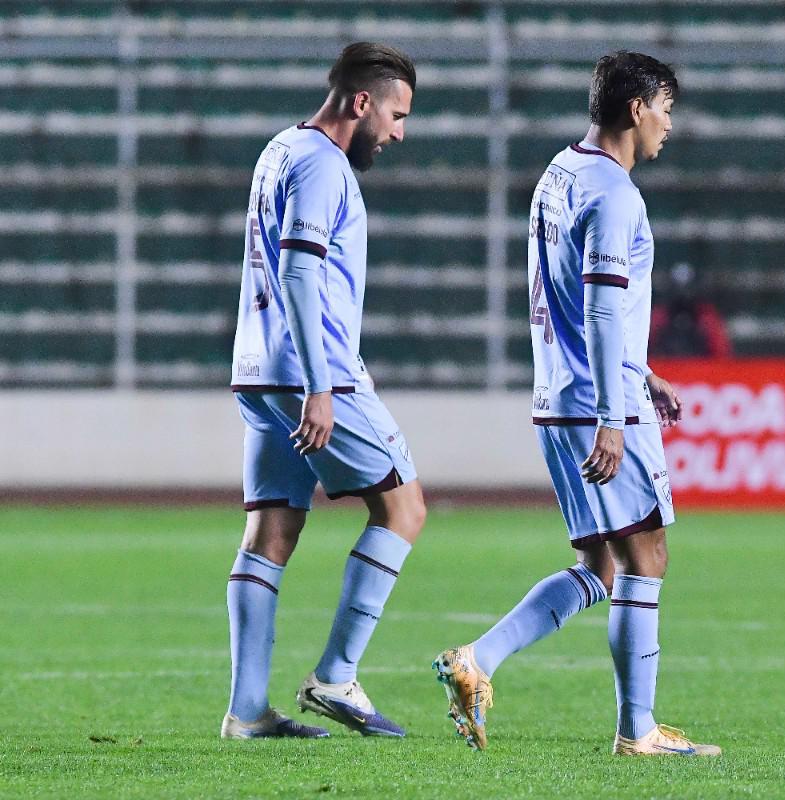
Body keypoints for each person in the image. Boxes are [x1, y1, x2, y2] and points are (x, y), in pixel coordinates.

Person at [433, 51, 720, 757]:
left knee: (603, 567)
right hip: (598, 406)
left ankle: (479, 660)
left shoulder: (558, 174)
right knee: (647, 556)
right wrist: (615, 413)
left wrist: (640, 370)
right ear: (636, 108)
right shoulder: (617, 195)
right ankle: (638, 731)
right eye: (666, 110)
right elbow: (596, 308)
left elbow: (576, 299)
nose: (668, 127)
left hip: (557, 397)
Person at [222, 42, 426, 739]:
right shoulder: (321, 164)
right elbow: (301, 273)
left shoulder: (280, 148)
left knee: (271, 531)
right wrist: (319, 384)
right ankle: (336, 674)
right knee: (403, 508)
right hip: (314, 371)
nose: (399, 132)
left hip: (257, 368)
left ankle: (247, 711)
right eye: (396, 115)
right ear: (360, 102)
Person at [648, 262, 733, 358]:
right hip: (664, 366)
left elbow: (721, 351)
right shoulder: (660, 315)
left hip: (702, 367)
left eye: (687, 289)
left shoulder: (706, 315)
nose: (682, 294)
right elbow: (644, 348)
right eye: (678, 289)